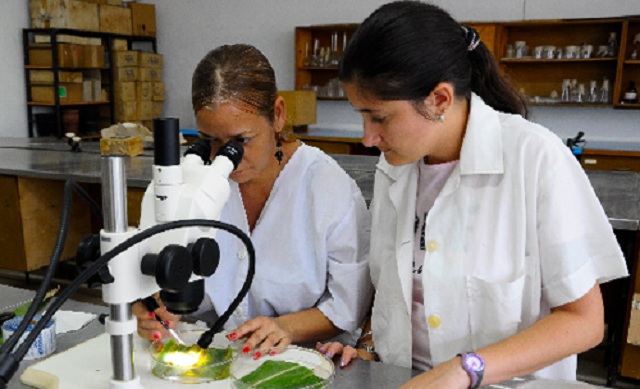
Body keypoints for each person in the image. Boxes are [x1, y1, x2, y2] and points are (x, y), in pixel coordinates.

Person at [316, 1, 629, 388]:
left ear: (440, 100)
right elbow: (395, 289)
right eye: (360, 116)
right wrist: (368, 343)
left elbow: (584, 323)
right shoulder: (395, 167)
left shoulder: (534, 158)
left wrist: (465, 369)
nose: (367, 137)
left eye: (379, 117)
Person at [133, 44, 372, 359]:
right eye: (209, 140)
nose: (224, 158)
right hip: (209, 354)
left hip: (299, 359)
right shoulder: (188, 182)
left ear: (277, 115)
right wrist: (150, 308)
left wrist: (286, 326)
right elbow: (146, 277)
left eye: (240, 141)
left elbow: (347, 307)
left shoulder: (326, 187)